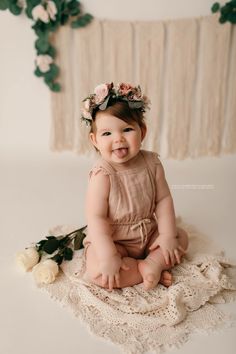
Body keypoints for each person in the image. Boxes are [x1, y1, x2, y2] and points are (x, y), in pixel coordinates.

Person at [81, 82, 188, 292]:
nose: (118, 139)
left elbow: (163, 199)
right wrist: (108, 255)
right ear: (94, 140)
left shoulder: (152, 163)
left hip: (147, 233)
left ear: (143, 132)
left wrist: (166, 235)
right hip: (114, 240)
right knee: (99, 272)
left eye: (127, 129)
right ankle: (146, 270)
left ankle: (152, 264)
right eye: (107, 134)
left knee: (180, 238)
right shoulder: (103, 174)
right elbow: (96, 218)